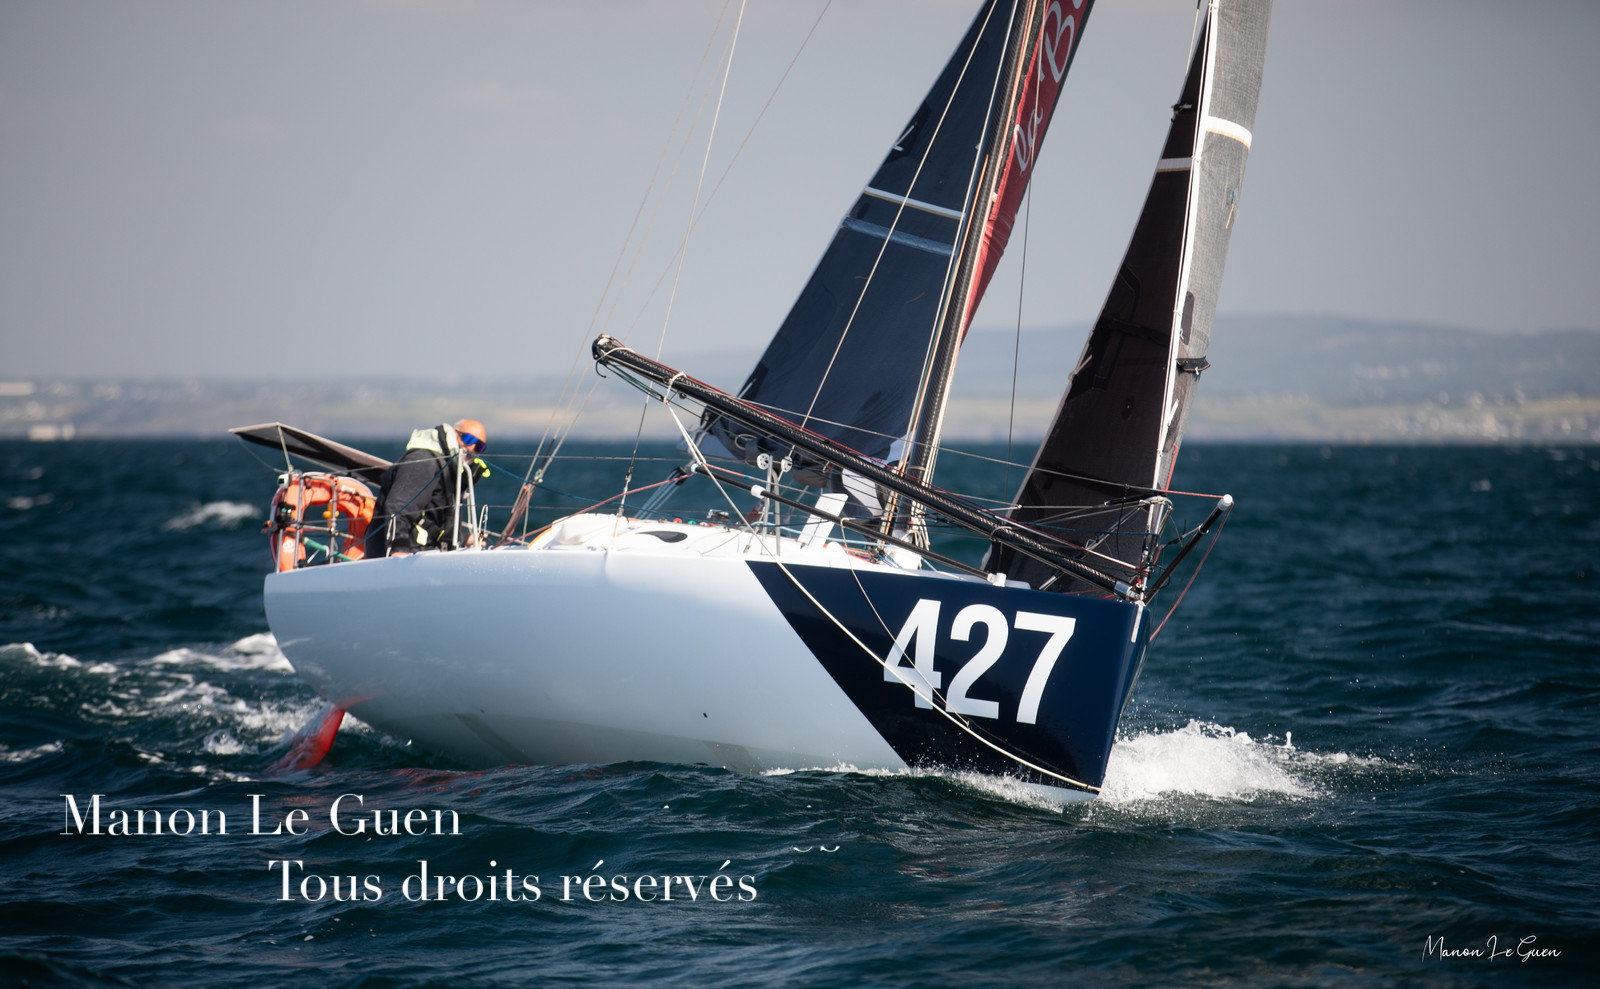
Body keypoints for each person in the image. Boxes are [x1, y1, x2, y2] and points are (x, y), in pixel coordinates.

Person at [366, 418, 490, 557]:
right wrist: (398, 549)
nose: (472, 448)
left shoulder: (449, 467)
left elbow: (434, 518)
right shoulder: (424, 461)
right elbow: (397, 507)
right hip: (402, 555)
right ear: (455, 434)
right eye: (469, 439)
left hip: (424, 553)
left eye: (479, 446)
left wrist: (463, 538)